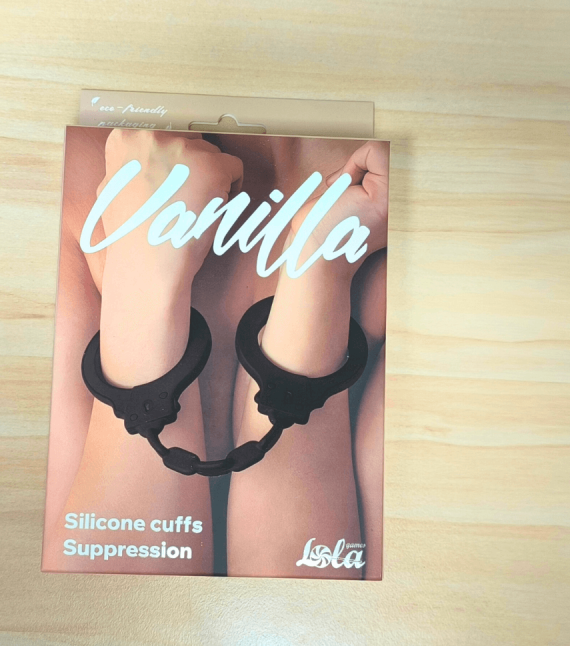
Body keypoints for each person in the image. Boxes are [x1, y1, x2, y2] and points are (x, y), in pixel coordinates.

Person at [42, 128, 388, 579]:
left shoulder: (397, 206)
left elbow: (311, 613)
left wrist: (320, 262)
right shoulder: (74, 167)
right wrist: (146, 282)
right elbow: (92, 604)